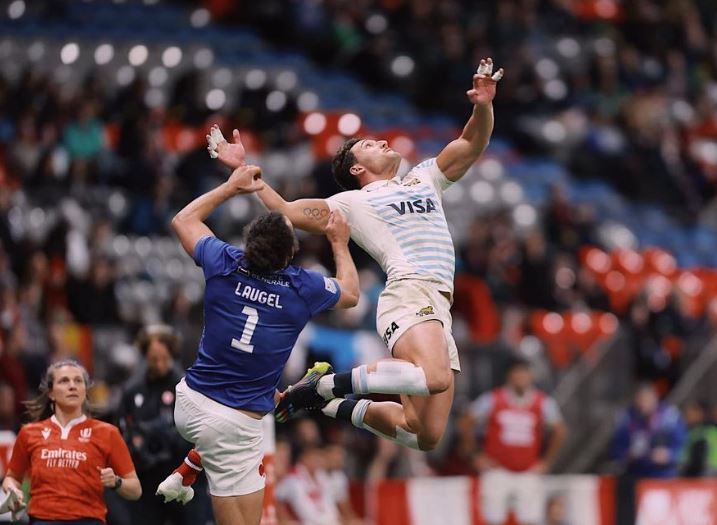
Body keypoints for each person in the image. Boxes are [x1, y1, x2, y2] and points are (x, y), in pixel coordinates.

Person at [208, 57, 504, 452]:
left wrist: (482, 105)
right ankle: (326, 384)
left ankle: (324, 403)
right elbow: (287, 210)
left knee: (425, 433)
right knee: (435, 378)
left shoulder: (424, 177)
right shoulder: (351, 202)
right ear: (357, 169)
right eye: (370, 145)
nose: (383, 142)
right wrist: (246, 171)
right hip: (409, 294)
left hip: (438, 306)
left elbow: (472, 142)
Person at [158, 164, 359, 525]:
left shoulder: (224, 261)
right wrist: (339, 243)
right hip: (234, 425)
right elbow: (351, 293)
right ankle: (190, 468)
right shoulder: (303, 287)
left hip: (189, 401)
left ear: (248, 244)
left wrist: (231, 187)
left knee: (257, 409)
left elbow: (183, 220)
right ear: (288, 255)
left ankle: (187, 470)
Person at [0, 359, 142, 524]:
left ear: (84, 390)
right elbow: (12, 477)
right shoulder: (29, 433)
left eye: (78, 381)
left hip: (88, 520)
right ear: (51, 393)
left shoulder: (107, 433)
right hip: (42, 520)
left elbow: (135, 490)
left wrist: (117, 482)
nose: (72, 386)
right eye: (64, 381)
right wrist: (12, 490)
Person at [118, 325, 208, 525]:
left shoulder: (187, 387)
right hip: (148, 478)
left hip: (184, 476)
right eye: (153, 359)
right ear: (145, 356)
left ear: (172, 355)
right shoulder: (132, 390)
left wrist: (164, 436)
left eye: (163, 358)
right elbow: (123, 427)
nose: (158, 364)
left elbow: (199, 431)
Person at [469, 358, 567, 525]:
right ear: (509, 376)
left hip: (528, 470)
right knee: (493, 517)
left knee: (531, 518)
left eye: (525, 373)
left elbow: (560, 431)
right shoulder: (493, 399)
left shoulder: (543, 403)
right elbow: (466, 422)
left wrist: (546, 461)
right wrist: (475, 454)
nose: (522, 377)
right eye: (518, 373)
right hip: (497, 469)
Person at [680, 399, 717, 477]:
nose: (688, 414)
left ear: (702, 413)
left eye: (693, 411)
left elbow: (698, 461)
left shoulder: (703, 433)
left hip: (707, 475)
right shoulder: (692, 431)